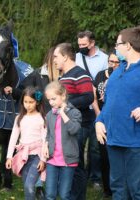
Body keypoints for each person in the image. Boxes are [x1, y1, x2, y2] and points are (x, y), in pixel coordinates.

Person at [96, 27, 140, 200]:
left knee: (139, 192)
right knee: (118, 190)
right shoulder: (117, 72)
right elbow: (109, 103)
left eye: (117, 44)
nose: (115, 48)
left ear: (128, 45)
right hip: (114, 141)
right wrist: (100, 121)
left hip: (139, 145)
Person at [53, 43, 94, 200]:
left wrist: (66, 105)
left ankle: (77, 197)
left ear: (65, 56)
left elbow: (88, 97)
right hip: (65, 126)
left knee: (75, 165)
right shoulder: (62, 76)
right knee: (68, 163)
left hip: (80, 125)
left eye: (56, 56)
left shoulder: (80, 74)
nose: (54, 60)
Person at [75, 30, 108, 188]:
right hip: (81, 108)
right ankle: (80, 175)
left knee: (95, 147)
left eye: (84, 44)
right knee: (79, 144)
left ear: (92, 43)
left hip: (98, 110)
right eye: (79, 44)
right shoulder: (76, 58)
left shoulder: (104, 59)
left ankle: (95, 178)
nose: (81, 47)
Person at [5, 86, 46, 200]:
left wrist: (43, 159)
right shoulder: (19, 118)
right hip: (24, 156)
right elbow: (13, 137)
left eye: (31, 102)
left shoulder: (42, 118)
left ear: (37, 102)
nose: (28, 105)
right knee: (27, 185)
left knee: (29, 185)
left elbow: (45, 140)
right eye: (25, 102)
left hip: (37, 155)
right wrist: (9, 157)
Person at [43, 81, 81, 200]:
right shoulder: (49, 115)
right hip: (52, 159)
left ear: (63, 95)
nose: (51, 102)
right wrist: (45, 144)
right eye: (49, 100)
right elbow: (49, 134)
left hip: (68, 160)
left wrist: (63, 114)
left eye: (53, 98)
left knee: (64, 194)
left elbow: (74, 130)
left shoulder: (75, 113)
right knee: (49, 194)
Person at [92, 51, 120, 198]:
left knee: (116, 155)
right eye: (111, 61)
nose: (113, 65)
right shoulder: (100, 75)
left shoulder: (122, 76)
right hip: (102, 118)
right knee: (103, 155)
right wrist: (98, 115)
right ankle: (107, 189)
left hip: (116, 119)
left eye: (116, 62)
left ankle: (118, 188)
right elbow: (94, 96)